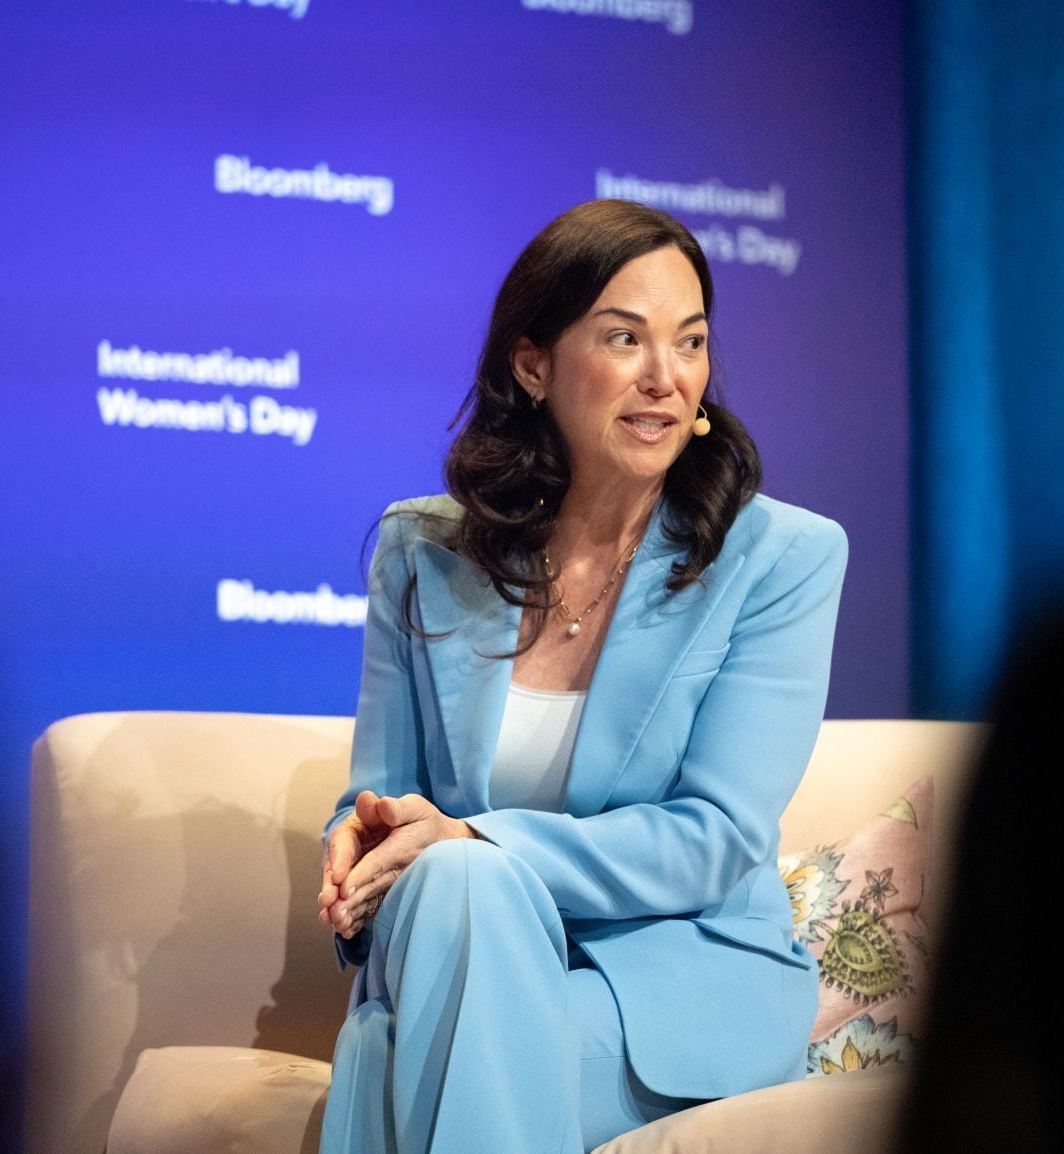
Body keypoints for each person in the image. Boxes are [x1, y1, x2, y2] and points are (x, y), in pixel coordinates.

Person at [314, 199, 850, 1153]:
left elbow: (715, 839)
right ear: (533, 365)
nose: (665, 378)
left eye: (689, 342)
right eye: (622, 338)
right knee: (460, 892)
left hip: (671, 990)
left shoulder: (781, 558)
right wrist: (359, 847)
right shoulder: (422, 551)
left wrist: (475, 836)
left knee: (449, 936)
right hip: (456, 950)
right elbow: (381, 795)